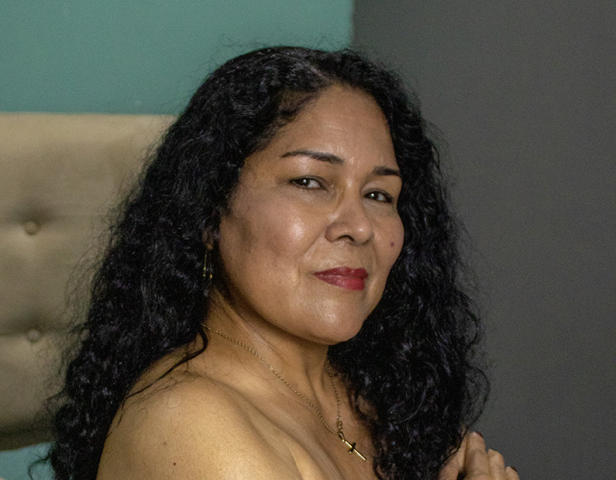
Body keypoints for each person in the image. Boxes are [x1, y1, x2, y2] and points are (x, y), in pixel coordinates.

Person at [45, 47, 519, 479]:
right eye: (310, 182)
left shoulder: (375, 401)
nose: (358, 226)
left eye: (379, 194)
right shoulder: (193, 425)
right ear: (209, 210)